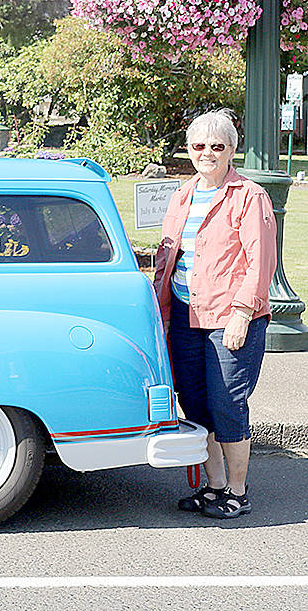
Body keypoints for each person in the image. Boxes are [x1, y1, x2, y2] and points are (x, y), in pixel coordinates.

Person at [153, 109, 275, 520]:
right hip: (185, 314)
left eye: (217, 146)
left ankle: (238, 492)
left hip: (229, 316)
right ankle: (214, 486)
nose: (207, 152)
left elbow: (260, 261)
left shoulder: (249, 196)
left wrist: (242, 312)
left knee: (227, 405)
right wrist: (163, 311)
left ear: (231, 150)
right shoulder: (182, 195)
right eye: (199, 145)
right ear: (189, 149)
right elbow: (168, 257)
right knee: (196, 404)